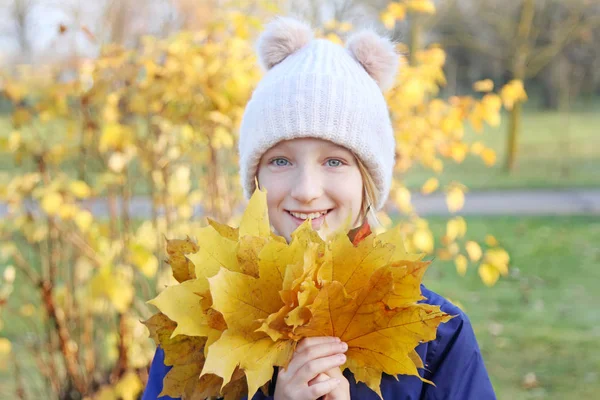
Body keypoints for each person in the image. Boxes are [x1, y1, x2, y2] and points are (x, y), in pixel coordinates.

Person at [143, 16, 496, 400]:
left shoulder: (435, 335)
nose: (307, 191)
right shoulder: (202, 322)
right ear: (255, 178)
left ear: (368, 182)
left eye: (334, 162)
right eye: (281, 161)